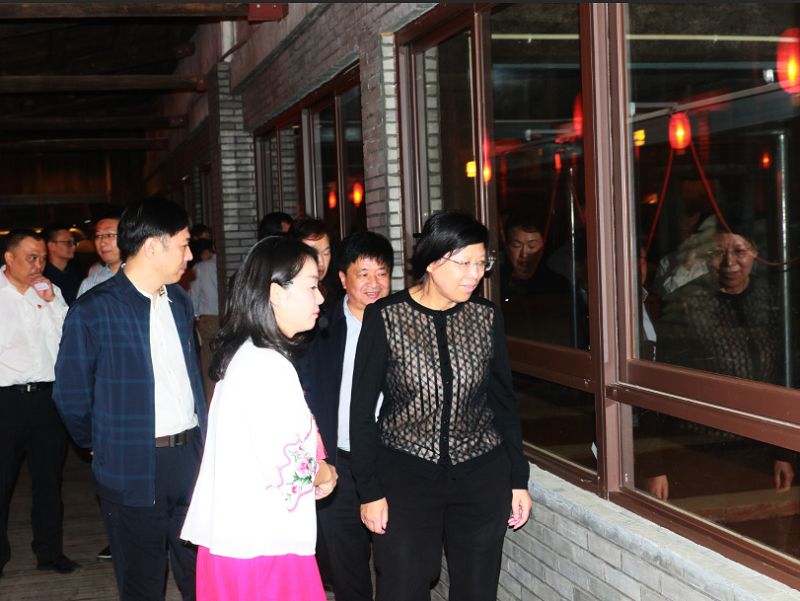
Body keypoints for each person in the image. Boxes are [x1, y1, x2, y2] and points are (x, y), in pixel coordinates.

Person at [350, 210, 532, 601]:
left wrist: (519, 478)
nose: (475, 274)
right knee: (402, 587)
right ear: (432, 262)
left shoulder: (485, 317)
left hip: (481, 474)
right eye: (464, 263)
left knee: (476, 590)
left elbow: (503, 403)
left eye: (481, 263)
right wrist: (369, 491)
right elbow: (361, 412)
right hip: (405, 476)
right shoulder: (386, 317)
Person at [53, 198, 207, 601]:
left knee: (202, 578)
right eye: (183, 245)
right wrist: (101, 443)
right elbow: (71, 395)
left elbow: (191, 378)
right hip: (132, 463)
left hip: (190, 457)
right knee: (142, 583)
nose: (190, 256)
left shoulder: (179, 301)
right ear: (153, 247)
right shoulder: (93, 311)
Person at [180, 235, 338, 601]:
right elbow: (289, 465)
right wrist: (324, 472)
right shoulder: (268, 365)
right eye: (311, 286)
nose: (320, 298)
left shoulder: (247, 354)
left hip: (238, 539)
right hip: (263, 549)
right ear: (276, 293)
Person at [653, 226, 790, 498]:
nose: (730, 262)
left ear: (755, 253)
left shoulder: (773, 300)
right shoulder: (686, 303)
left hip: (759, 449)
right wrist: (655, 465)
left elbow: (783, 378)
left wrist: (784, 453)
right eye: (718, 252)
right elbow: (661, 384)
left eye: (739, 251)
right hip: (696, 449)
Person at [301, 230, 394, 601]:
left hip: (392, 463)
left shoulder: (402, 322)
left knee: (398, 563)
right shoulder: (318, 326)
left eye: (382, 273)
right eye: (363, 273)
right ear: (342, 278)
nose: (374, 283)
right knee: (347, 568)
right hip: (340, 464)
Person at [0, 229, 78, 578]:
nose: (39, 265)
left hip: (47, 399)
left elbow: (69, 339)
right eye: (32, 257)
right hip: (6, 401)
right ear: (9, 258)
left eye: (43, 258)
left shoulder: (50, 291)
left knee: (49, 480)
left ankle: (50, 552)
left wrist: (51, 301)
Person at [188, 238, 219, 403]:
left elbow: (193, 296)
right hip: (230, 318)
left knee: (208, 361)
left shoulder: (200, 268)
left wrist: (195, 317)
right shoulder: (235, 264)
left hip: (208, 319)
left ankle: (211, 400)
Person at [290, 217, 342, 309]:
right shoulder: (288, 296)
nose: (321, 261)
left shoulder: (337, 292)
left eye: (326, 253)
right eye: (313, 254)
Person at [77, 214, 122, 298]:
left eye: (110, 235)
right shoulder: (90, 284)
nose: (102, 242)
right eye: (98, 236)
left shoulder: (145, 277)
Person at [42, 223, 83, 305]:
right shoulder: (44, 278)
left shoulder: (77, 273)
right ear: (51, 246)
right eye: (68, 243)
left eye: (74, 242)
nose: (73, 247)